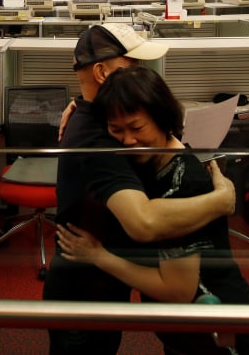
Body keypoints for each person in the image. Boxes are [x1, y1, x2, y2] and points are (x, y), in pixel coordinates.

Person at [42, 23, 236, 355]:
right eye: (132, 65)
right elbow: (143, 221)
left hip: (98, 287)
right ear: (102, 73)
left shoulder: (102, 120)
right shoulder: (101, 141)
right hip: (84, 294)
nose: (141, 73)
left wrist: (79, 103)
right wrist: (222, 200)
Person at [57, 65, 249, 355]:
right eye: (116, 130)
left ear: (162, 120)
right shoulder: (151, 163)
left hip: (220, 332)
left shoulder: (184, 182)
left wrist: (98, 256)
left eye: (136, 128)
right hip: (187, 333)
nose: (127, 141)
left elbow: (177, 290)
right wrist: (78, 109)